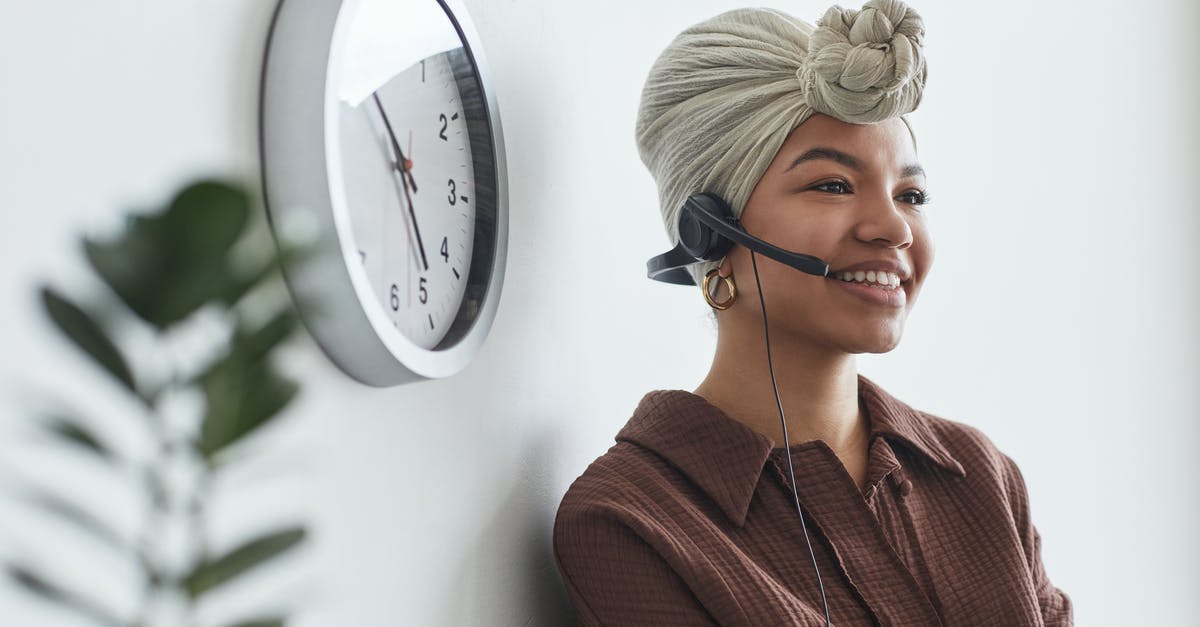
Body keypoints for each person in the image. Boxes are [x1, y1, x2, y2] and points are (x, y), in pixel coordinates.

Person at [552, 1, 1073, 625]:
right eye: (832, 185)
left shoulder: (980, 479)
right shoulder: (630, 520)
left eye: (911, 195)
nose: (894, 229)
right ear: (708, 233)